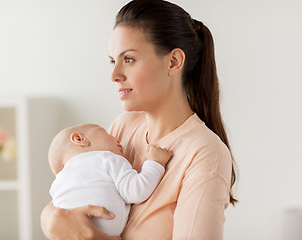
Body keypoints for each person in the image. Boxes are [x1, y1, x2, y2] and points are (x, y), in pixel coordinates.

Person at [41, 0, 237, 239]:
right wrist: (49, 218)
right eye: (113, 61)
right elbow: (71, 194)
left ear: (174, 62)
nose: (114, 75)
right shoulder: (123, 127)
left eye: (129, 59)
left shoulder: (204, 152)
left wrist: (89, 236)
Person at [48, 123, 172, 236]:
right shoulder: (107, 158)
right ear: (80, 139)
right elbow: (136, 192)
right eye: (106, 133)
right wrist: (155, 163)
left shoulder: (56, 184)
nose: (117, 139)